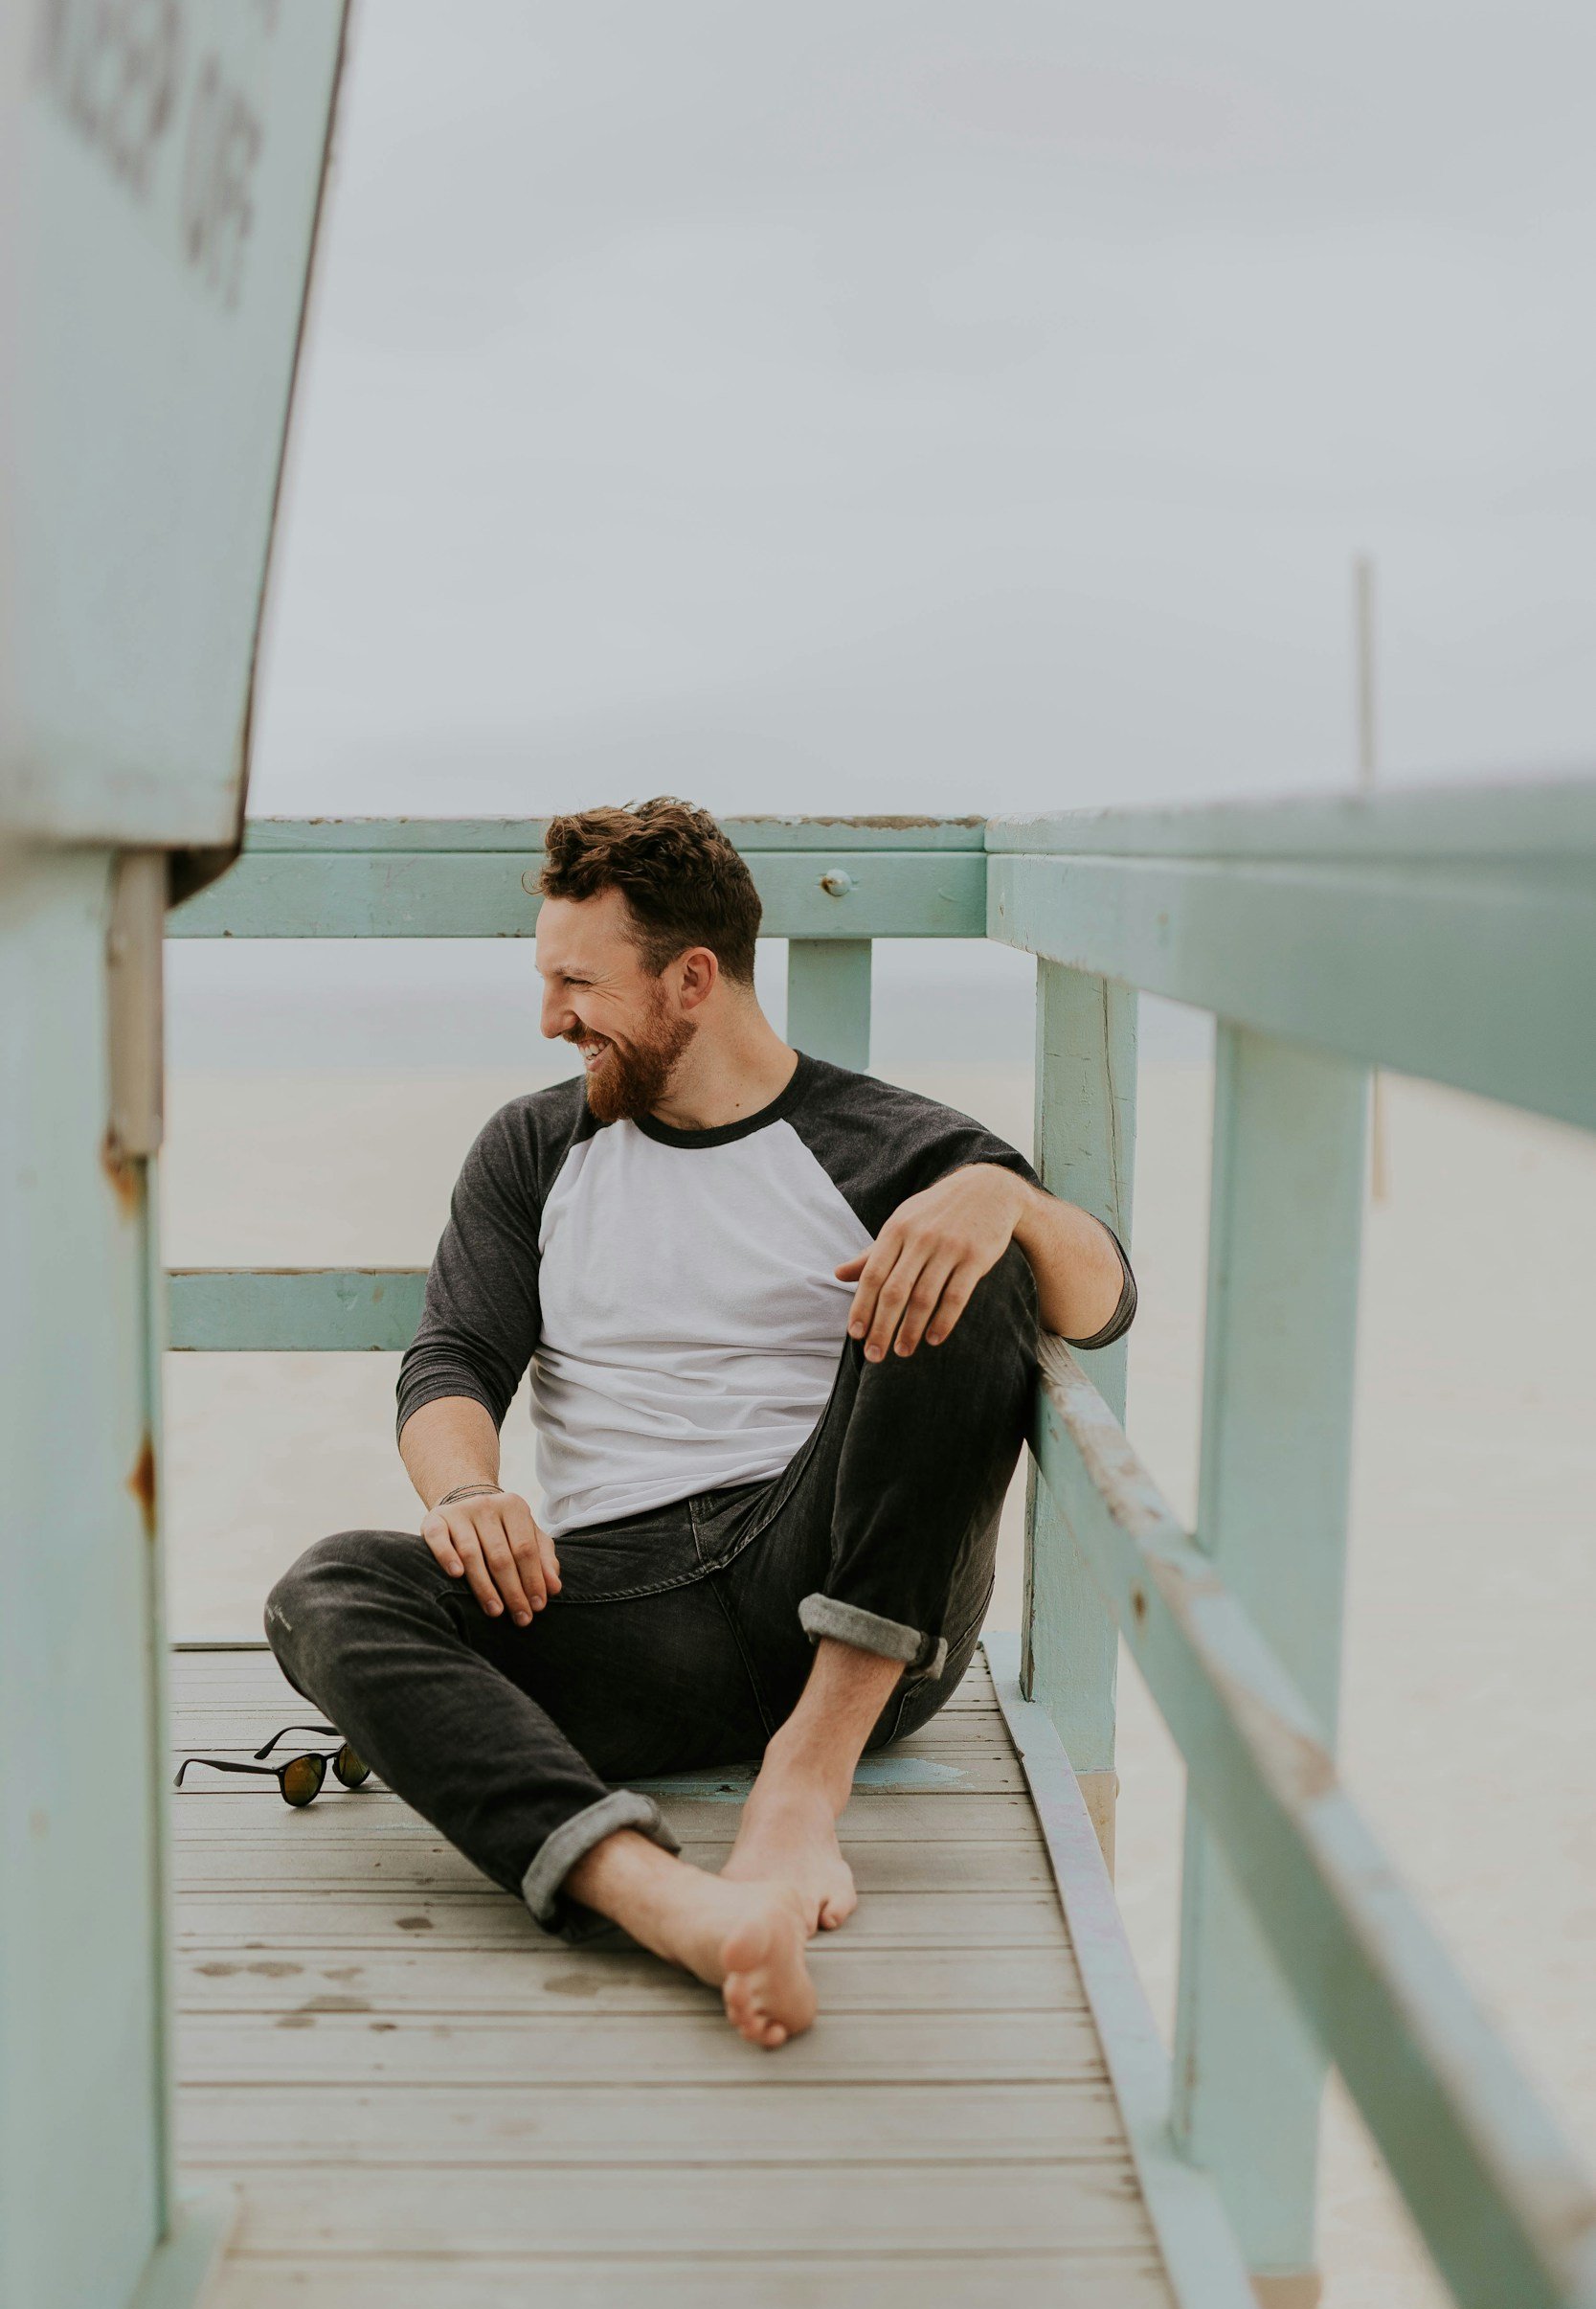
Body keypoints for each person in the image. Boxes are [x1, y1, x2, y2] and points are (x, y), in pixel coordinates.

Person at [264, 800, 1135, 2048]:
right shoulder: (532, 1149)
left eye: (577, 981)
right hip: (621, 1604)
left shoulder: (888, 1142)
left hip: (844, 1579)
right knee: (328, 1588)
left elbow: (1100, 1303)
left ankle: (804, 1781)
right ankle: (669, 1903)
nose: (551, 1016)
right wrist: (466, 1496)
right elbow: (452, 1359)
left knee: (979, 1256)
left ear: (691, 980)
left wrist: (1001, 1195)